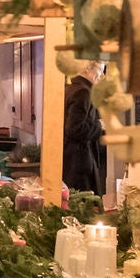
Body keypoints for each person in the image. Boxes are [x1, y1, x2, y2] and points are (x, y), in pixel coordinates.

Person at [62, 61, 107, 198]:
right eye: (100, 70)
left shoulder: (70, 88)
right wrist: (100, 125)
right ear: (88, 69)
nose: (101, 76)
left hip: (69, 157)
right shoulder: (83, 92)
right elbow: (75, 128)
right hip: (80, 161)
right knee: (84, 204)